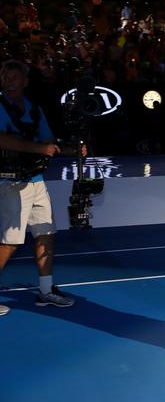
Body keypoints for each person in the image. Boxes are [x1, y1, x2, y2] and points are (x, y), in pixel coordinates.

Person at [0, 60, 85, 316]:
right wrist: (39, 149)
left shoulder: (34, 109)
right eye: (5, 76)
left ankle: (46, 291)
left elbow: (47, 141)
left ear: (25, 81)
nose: (8, 80)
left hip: (36, 181)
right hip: (10, 183)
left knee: (45, 234)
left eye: (14, 76)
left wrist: (71, 149)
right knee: (9, 242)